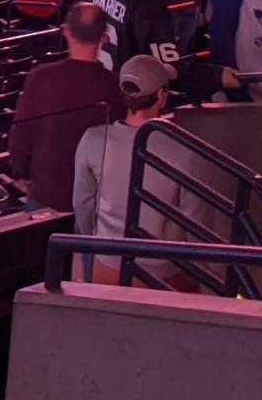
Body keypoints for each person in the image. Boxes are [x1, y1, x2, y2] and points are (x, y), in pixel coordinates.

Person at [6, 2, 129, 214]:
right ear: (104, 38)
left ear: (66, 31)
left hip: (47, 193)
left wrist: (19, 172)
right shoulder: (116, 87)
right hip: (95, 197)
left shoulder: (41, 77)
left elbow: (23, 131)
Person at [73, 54, 184, 260]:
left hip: (107, 260)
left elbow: (82, 204)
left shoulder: (93, 139)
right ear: (160, 95)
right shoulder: (182, 147)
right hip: (161, 268)